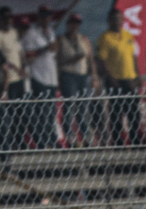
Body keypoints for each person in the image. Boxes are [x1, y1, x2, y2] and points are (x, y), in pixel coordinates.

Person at [95, 8, 138, 145]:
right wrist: (110, 78)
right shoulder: (105, 38)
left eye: (119, 19)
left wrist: (137, 75)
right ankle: (119, 142)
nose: (117, 22)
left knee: (133, 111)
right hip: (115, 80)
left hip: (129, 78)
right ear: (109, 21)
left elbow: (133, 56)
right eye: (114, 19)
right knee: (116, 112)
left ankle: (136, 141)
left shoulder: (128, 35)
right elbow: (101, 60)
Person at [57, 14, 95, 144]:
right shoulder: (61, 40)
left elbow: (90, 59)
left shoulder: (83, 39)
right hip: (68, 74)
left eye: (77, 24)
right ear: (68, 24)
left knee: (83, 107)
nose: (74, 26)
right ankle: (70, 137)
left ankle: (86, 137)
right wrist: (72, 59)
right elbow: (58, 60)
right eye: (72, 23)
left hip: (82, 75)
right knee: (69, 106)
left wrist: (94, 76)